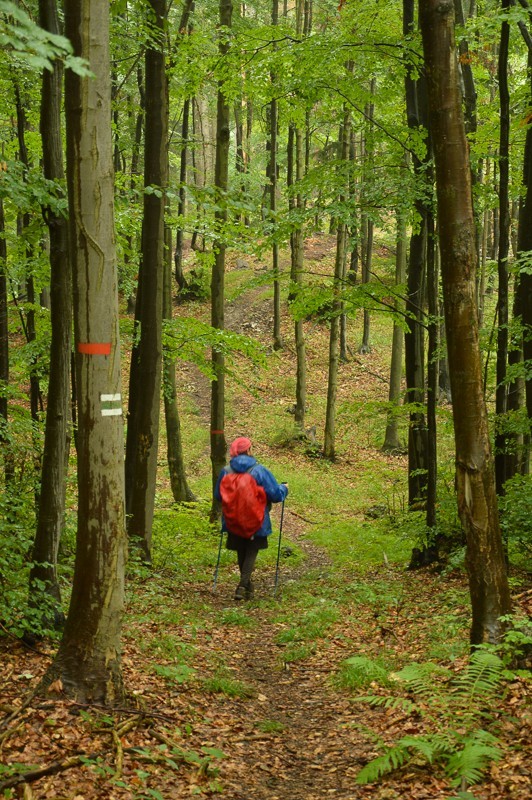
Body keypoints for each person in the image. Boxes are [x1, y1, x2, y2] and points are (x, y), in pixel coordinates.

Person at [214, 436, 288, 601]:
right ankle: (242, 585)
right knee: (251, 550)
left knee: (241, 549)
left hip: (233, 520)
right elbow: (275, 494)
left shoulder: (226, 471)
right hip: (257, 520)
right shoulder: (259, 470)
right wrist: (284, 488)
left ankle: (248, 587)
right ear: (248, 450)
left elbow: (218, 495)